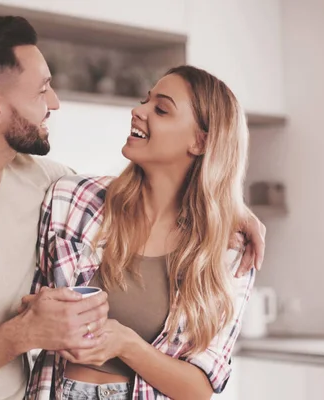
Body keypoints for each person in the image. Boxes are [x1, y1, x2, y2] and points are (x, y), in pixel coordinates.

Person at [0, 15, 265, 400]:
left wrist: (229, 210)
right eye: (42, 89)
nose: (56, 102)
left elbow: (163, 192)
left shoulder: (44, 183)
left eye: (160, 107)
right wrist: (25, 333)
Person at [27, 65, 255, 400]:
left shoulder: (228, 252)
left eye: (161, 109)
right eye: (144, 101)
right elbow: (26, 310)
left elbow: (200, 389)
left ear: (200, 141)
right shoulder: (72, 199)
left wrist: (126, 345)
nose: (138, 111)